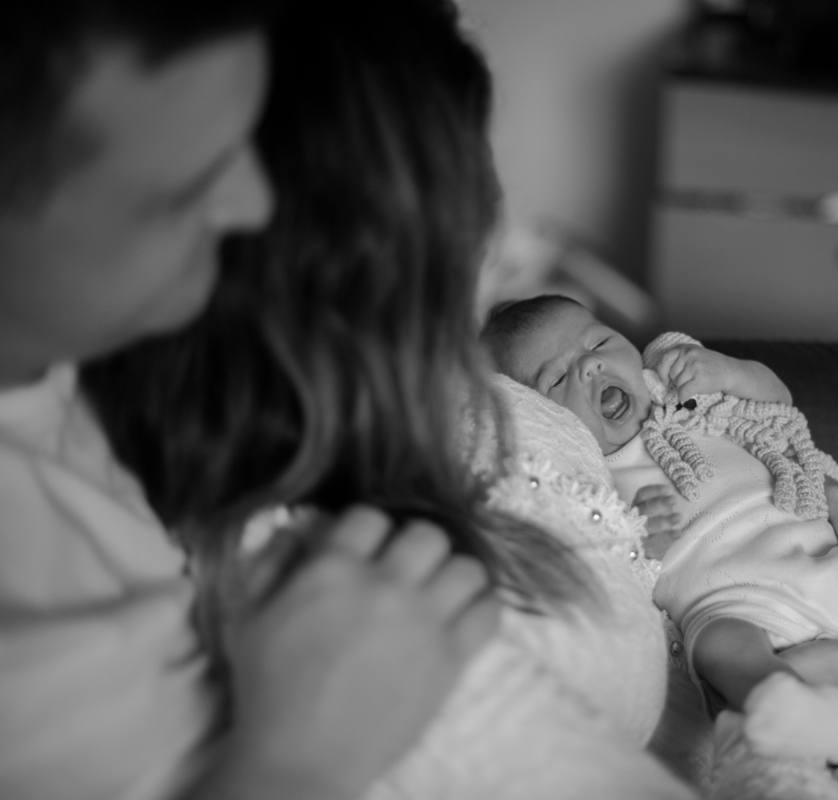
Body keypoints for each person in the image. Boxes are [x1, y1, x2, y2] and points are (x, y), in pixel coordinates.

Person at [0, 2, 498, 799]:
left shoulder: (55, 368)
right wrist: (294, 764)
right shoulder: (31, 633)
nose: (255, 204)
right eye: (184, 190)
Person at [482, 294, 838, 789]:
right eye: (557, 378)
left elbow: (776, 405)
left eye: (600, 341)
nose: (589, 365)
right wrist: (649, 536)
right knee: (722, 649)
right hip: (724, 604)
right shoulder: (590, 473)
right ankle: (786, 707)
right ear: (540, 418)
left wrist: (727, 371)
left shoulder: (680, 387)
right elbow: (626, 565)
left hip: (815, 561)